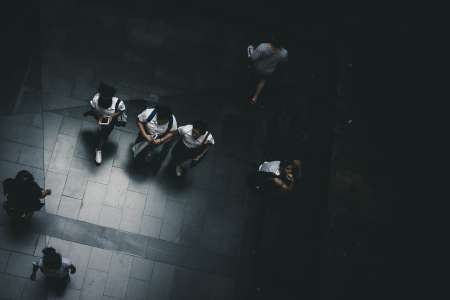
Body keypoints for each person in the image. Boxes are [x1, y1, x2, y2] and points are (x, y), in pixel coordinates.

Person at [83, 82, 126, 165]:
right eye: (103, 97)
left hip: (110, 120)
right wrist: (99, 117)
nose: (105, 100)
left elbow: (121, 111)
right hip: (100, 116)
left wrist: (111, 117)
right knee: (101, 128)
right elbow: (94, 109)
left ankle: (98, 149)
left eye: (108, 98)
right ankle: (101, 129)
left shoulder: (118, 103)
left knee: (104, 134)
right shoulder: (95, 99)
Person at [248, 36, 288, 105]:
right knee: (262, 81)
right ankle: (255, 97)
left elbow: (253, 58)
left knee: (250, 47)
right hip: (269, 71)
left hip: (257, 67)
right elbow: (284, 60)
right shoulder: (284, 53)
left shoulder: (263, 47)